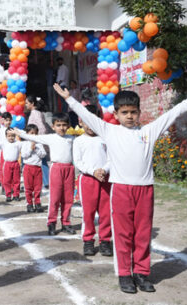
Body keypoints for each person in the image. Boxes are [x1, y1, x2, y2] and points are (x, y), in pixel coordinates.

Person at [54, 81, 187, 294]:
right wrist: (68, 98)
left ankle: (141, 273)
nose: (129, 116)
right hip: (120, 190)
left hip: (145, 190)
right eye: (125, 112)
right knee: (123, 234)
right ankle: (125, 275)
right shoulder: (109, 131)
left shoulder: (149, 131)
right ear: (116, 114)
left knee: (143, 234)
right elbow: (87, 114)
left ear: (139, 113)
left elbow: (171, 114)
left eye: (133, 112)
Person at [8, 113, 76, 236]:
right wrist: (20, 133)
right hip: (56, 169)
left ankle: (66, 222)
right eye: (58, 125)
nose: (61, 128)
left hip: (69, 169)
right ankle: (52, 222)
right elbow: (35, 138)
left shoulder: (71, 138)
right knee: (55, 198)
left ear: (69, 126)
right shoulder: (51, 137)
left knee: (68, 198)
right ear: (53, 126)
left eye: (64, 125)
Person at [72, 105, 112, 258]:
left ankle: (105, 241)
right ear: (81, 122)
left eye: (93, 121)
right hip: (88, 180)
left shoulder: (105, 138)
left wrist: (104, 170)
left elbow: (111, 158)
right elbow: (78, 162)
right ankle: (88, 240)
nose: (90, 126)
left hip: (105, 179)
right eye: (86, 121)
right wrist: (93, 172)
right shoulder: (78, 141)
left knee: (106, 212)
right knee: (88, 213)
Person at [26, 95, 52, 190]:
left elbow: (42, 127)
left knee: (42, 161)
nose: (26, 105)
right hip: (37, 140)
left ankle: (46, 182)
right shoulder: (36, 112)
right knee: (41, 161)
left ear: (32, 104)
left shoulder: (35, 113)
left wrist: (38, 139)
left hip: (37, 141)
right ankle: (45, 181)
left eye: (27, 103)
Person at [21, 124, 46, 213]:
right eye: (31, 133)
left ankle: (38, 203)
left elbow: (43, 155)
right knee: (28, 187)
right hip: (28, 168)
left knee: (38, 187)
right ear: (27, 134)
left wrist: (36, 149)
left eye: (35, 133)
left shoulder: (39, 144)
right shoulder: (25, 144)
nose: (34, 135)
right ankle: (29, 204)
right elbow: (24, 155)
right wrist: (31, 149)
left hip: (37, 168)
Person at [0, 128, 22, 202]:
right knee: (7, 181)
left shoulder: (18, 143)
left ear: (15, 136)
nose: (11, 137)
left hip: (15, 163)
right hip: (7, 164)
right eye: (9, 136)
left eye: (12, 136)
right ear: (6, 136)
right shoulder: (3, 143)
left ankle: (16, 195)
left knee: (16, 180)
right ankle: (8, 195)